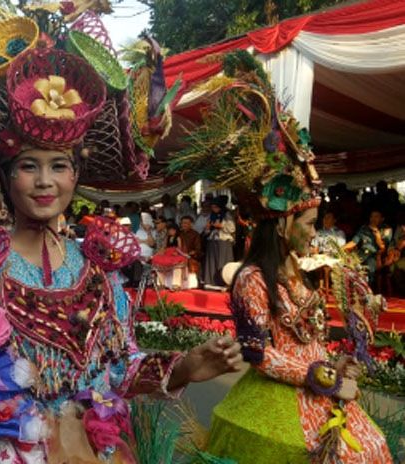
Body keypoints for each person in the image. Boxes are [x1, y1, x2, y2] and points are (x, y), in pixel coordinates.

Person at [0, 40, 242, 463]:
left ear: (75, 176)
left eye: (58, 166)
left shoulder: (98, 268)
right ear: (6, 178)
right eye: (29, 166)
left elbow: (118, 370)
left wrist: (185, 368)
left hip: (89, 445)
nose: (44, 182)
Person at [169, 55, 391, 463]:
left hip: (322, 389)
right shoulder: (252, 278)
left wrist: (335, 362)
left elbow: (314, 340)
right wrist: (314, 374)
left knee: (372, 447)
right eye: (307, 223)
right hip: (278, 396)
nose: (314, 230)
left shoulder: (302, 273)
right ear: (284, 224)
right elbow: (257, 352)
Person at [345, 208, 392, 288]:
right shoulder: (364, 228)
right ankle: (354, 290)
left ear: (382, 219)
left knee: (370, 267)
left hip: (376, 255)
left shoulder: (386, 229)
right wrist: (340, 248)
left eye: (376, 217)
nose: (373, 219)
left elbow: (382, 246)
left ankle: (368, 290)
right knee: (348, 266)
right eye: (372, 217)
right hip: (362, 254)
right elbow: (354, 242)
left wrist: (376, 233)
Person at [202, 197, 236, 287]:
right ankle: (211, 281)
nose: (214, 209)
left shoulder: (227, 215)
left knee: (222, 260)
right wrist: (208, 227)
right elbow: (206, 230)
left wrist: (221, 225)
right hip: (212, 240)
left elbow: (232, 228)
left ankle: (222, 281)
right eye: (212, 207)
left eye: (215, 207)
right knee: (212, 261)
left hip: (223, 240)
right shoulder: (211, 215)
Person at [179, 216, 202, 289]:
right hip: (179, 255)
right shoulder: (179, 233)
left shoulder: (195, 234)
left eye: (186, 223)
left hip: (191, 256)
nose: (184, 225)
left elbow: (198, 249)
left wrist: (189, 253)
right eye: (182, 223)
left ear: (191, 224)